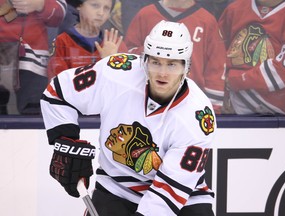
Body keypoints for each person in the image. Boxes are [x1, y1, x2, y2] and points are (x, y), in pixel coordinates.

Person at [41, 20, 216, 216]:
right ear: (144, 60)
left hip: (183, 199)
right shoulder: (116, 73)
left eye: (172, 64)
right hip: (116, 188)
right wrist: (65, 142)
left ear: (186, 67)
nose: (163, 73)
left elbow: (168, 193)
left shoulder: (198, 116)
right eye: (156, 61)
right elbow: (57, 92)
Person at [124, 0, 226, 114]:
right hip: (146, 101)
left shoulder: (207, 21)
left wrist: (210, 110)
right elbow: (129, 56)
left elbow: (216, 69)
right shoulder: (146, 14)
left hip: (190, 104)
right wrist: (155, 50)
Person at [218, 0, 285, 114]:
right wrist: (221, 94)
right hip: (229, 98)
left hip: (274, 109)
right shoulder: (235, 9)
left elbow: (283, 71)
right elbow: (216, 55)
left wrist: (235, 81)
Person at [0, 0, 66, 114]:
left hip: (33, 60)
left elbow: (59, 15)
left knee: (33, 112)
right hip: (8, 55)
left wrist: (40, 4)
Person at [47, 0, 127, 80]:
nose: (101, 13)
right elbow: (57, 84)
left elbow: (126, 82)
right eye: (95, 5)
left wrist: (111, 61)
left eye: (106, 8)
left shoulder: (115, 43)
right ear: (79, 5)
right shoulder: (62, 42)